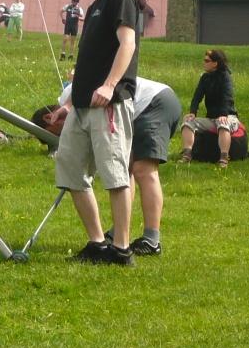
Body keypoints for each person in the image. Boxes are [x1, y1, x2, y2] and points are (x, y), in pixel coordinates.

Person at [54, 0, 141, 266]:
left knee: (115, 175)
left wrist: (109, 85)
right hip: (81, 106)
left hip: (108, 105)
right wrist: (68, 104)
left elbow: (127, 44)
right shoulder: (94, 5)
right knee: (70, 170)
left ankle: (121, 249)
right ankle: (97, 243)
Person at [40, 73, 180, 256]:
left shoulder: (70, 95)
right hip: (140, 107)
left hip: (154, 102)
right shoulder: (71, 99)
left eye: (54, 132)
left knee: (144, 170)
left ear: (49, 118)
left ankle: (151, 240)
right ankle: (117, 234)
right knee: (125, 170)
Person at [179, 49, 240, 169]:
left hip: (228, 116)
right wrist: (192, 112)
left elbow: (227, 97)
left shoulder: (225, 77)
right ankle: (187, 155)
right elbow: (197, 96)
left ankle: (224, 158)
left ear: (215, 63)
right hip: (212, 118)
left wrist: (223, 114)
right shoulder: (205, 78)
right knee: (187, 122)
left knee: (223, 124)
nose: (204, 63)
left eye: (207, 61)